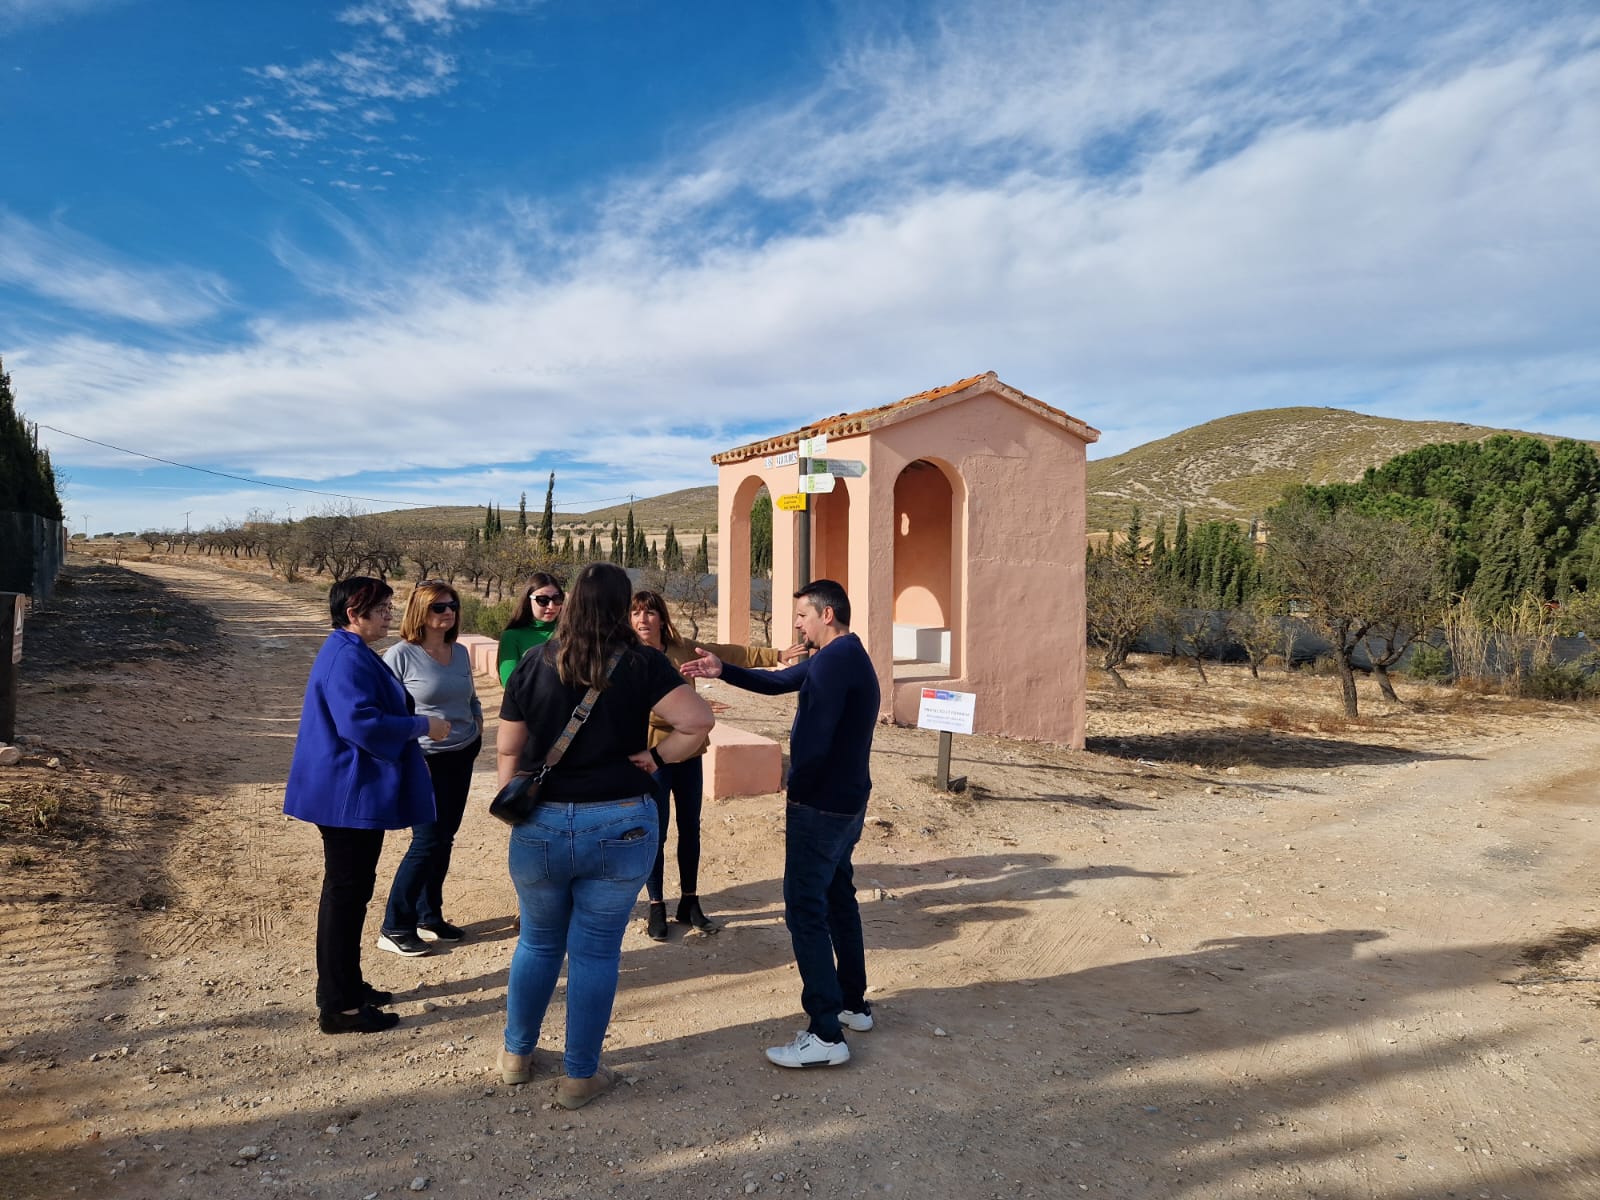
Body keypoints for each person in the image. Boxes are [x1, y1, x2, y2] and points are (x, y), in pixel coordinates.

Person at [496, 562, 714, 1108]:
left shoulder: (531, 661)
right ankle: (579, 1077)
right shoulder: (641, 663)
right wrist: (656, 757)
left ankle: (515, 1057)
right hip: (619, 819)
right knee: (594, 952)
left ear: (569, 604)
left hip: (540, 822)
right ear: (621, 607)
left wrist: (518, 803)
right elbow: (698, 722)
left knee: (538, 942)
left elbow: (507, 750)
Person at [681, 579, 879, 1068]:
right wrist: (722, 669)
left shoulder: (835, 660)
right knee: (837, 897)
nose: (796, 624)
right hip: (848, 800)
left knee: (805, 910)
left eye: (801, 616)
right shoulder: (846, 654)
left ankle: (825, 1033)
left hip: (821, 806)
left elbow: (816, 736)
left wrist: (796, 780)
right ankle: (854, 1004)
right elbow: (780, 682)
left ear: (826, 614)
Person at [284, 577, 450, 1035]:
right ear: (352, 612)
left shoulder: (350, 651)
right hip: (345, 796)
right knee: (345, 896)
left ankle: (347, 988)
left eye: (388, 605)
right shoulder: (345, 657)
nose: (388, 613)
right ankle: (340, 1007)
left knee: (350, 894)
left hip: (346, 793)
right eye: (379, 607)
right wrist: (423, 725)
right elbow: (361, 723)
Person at [629, 588, 804, 941]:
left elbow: (729, 653)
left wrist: (778, 654)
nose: (642, 620)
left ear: (662, 618)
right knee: (656, 832)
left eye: (649, 613)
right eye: (635, 614)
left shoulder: (681, 649)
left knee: (690, 828)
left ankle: (690, 903)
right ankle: (656, 905)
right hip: (653, 757)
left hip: (690, 752)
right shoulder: (626, 656)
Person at [376, 580, 484, 958]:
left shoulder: (457, 652)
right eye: (439, 606)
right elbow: (387, 713)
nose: (449, 611)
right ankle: (394, 925)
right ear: (420, 612)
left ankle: (428, 913)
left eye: (452, 604)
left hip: (461, 754)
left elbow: (471, 697)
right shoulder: (401, 655)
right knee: (425, 841)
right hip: (423, 759)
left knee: (445, 837)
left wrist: (476, 730)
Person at [497, 573, 565, 687]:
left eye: (557, 599)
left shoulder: (570, 633)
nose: (551, 606)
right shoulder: (512, 636)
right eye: (543, 600)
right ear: (528, 601)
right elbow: (510, 683)